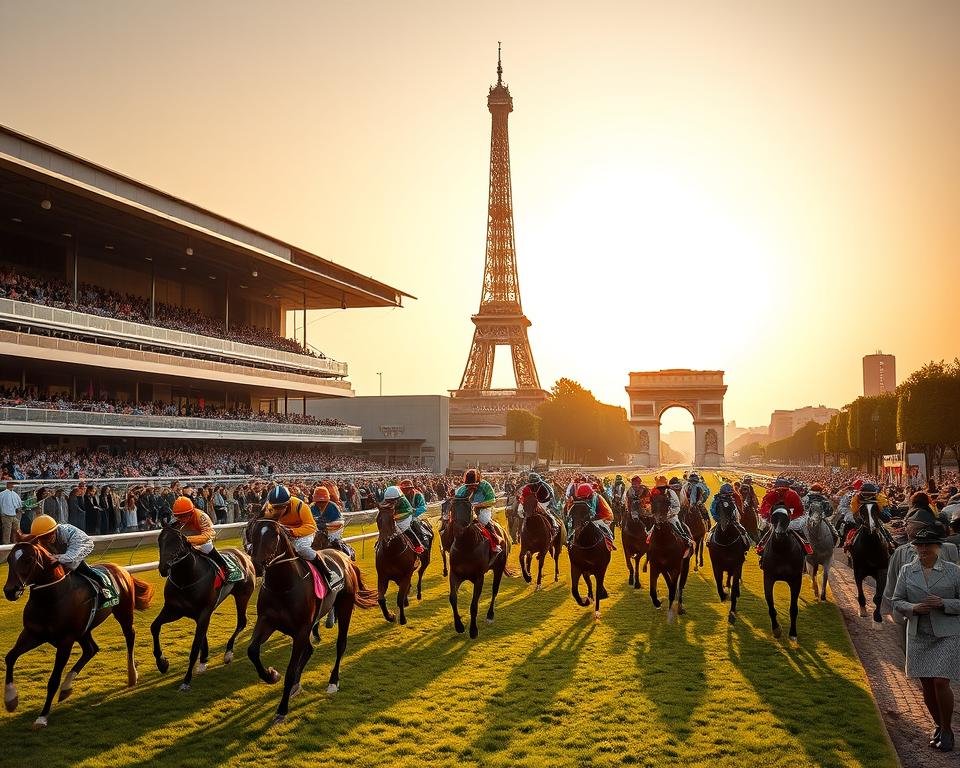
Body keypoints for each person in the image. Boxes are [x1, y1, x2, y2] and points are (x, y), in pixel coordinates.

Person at [891, 527, 960, 752]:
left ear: (937, 547)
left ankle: (948, 730)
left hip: (947, 633)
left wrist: (944, 603)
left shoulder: (953, 571)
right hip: (919, 633)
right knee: (927, 684)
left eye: (926, 546)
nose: (922, 550)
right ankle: (938, 725)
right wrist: (913, 608)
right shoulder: (906, 570)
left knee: (941, 681)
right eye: (918, 546)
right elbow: (897, 601)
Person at [261, 484, 341, 589]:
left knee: (302, 549)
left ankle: (329, 573)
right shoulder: (268, 507)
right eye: (276, 507)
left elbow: (311, 527)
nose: (278, 511)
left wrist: (293, 532)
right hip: (282, 531)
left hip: (304, 533)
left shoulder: (300, 505)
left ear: (288, 503)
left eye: (281, 507)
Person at [26, 514, 115, 604]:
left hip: (79, 545)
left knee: (79, 568)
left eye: (48, 536)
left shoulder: (68, 533)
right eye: (42, 538)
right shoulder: (43, 539)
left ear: (54, 531)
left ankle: (104, 589)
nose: (46, 540)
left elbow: (72, 555)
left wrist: (60, 558)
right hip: (62, 548)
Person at [170, 495, 234, 579]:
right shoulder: (176, 519)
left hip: (203, 540)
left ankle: (226, 567)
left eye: (184, 516)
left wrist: (189, 540)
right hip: (186, 539)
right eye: (179, 516)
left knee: (207, 547)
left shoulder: (201, 516)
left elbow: (209, 533)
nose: (181, 519)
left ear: (191, 512)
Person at [757, 478, 813, 559]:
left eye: (783, 489)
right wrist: (768, 514)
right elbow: (765, 508)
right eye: (779, 489)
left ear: (787, 488)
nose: (781, 491)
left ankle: (805, 545)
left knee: (798, 529)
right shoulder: (770, 495)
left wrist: (791, 517)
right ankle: (761, 545)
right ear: (775, 488)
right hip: (774, 519)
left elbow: (799, 509)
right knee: (767, 529)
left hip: (791, 519)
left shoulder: (793, 494)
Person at [455, 469, 502, 554]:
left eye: (474, 485)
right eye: (468, 485)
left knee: (483, 520)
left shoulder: (486, 486)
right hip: (467, 510)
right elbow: (456, 502)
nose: (471, 487)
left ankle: (494, 542)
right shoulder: (461, 489)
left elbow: (492, 501)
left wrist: (477, 505)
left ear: (478, 481)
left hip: (484, 509)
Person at [650, 475, 694, 556]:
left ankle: (686, 540)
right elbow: (651, 506)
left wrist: (669, 514)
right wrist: (655, 514)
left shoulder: (670, 492)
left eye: (662, 486)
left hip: (671, 517)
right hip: (658, 518)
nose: (661, 488)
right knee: (649, 534)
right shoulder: (654, 493)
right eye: (659, 486)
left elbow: (677, 506)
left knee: (678, 529)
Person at [311, 485, 355, 560]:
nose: (321, 503)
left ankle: (349, 557)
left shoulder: (333, 506)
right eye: (319, 502)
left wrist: (326, 526)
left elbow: (339, 523)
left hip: (332, 532)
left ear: (327, 499)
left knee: (337, 544)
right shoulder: (311, 507)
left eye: (323, 502)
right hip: (315, 533)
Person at [380, 485, 425, 554]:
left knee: (404, 528)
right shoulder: (388, 499)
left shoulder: (403, 501)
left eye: (392, 500)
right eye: (388, 501)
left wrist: (395, 517)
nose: (390, 502)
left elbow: (407, 512)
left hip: (405, 516)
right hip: (395, 517)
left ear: (398, 498)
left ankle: (418, 545)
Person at [568, 482, 614, 547]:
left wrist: (596, 518)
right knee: (571, 531)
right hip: (581, 521)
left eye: (585, 496)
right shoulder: (577, 501)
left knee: (605, 529)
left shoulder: (597, 497)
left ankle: (609, 543)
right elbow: (570, 512)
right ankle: (569, 542)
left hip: (597, 518)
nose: (583, 498)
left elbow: (605, 512)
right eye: (581, 497)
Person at [709, 483, 750, 547]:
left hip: (731, 520)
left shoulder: (731, 500)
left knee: (743, 530)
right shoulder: (717, 500)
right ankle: (746, 544)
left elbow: (735, 512)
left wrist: (734, 519)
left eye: (730, 494)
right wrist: (717, 518)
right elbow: (712, 510)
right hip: (720, 521)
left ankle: (746, 544)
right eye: (728, 494)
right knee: (711, 531)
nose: (729, 496)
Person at [399, 478, 432, 550]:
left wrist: (414, 511)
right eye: (404, 489)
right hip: (400, 518)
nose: (406, 491)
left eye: (408, 488)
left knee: (416, 525)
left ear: (411, 488)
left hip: (414, 516)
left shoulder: (418, 495)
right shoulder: (399, 496)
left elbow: (423, 507)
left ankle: (423, 544)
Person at [0, 480, 23, 544]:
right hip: (5, 515)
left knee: (16, 529)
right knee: (7, 531)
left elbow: (19, 504)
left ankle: (14, 541)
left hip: (13, 515)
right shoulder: (2, 494)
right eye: (12, 483)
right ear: (8, 484)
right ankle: (6, 544)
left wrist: (19, 509)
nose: (13, 485)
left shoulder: (15, 494)